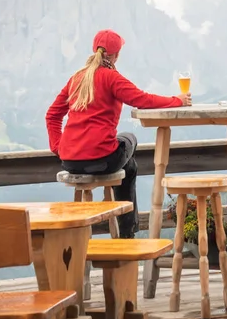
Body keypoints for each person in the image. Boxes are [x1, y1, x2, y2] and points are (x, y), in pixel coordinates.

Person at [46, 29, 192, 237]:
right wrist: (177, 100)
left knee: (129, 164)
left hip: (69, 161)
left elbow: (52, 115)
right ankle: (127, 232)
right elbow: (143, 100)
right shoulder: (112, 78)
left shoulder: (76, 78)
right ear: (116, 55)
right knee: (130, 141)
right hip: (102, 159)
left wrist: (58, 148)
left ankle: (126, 230)